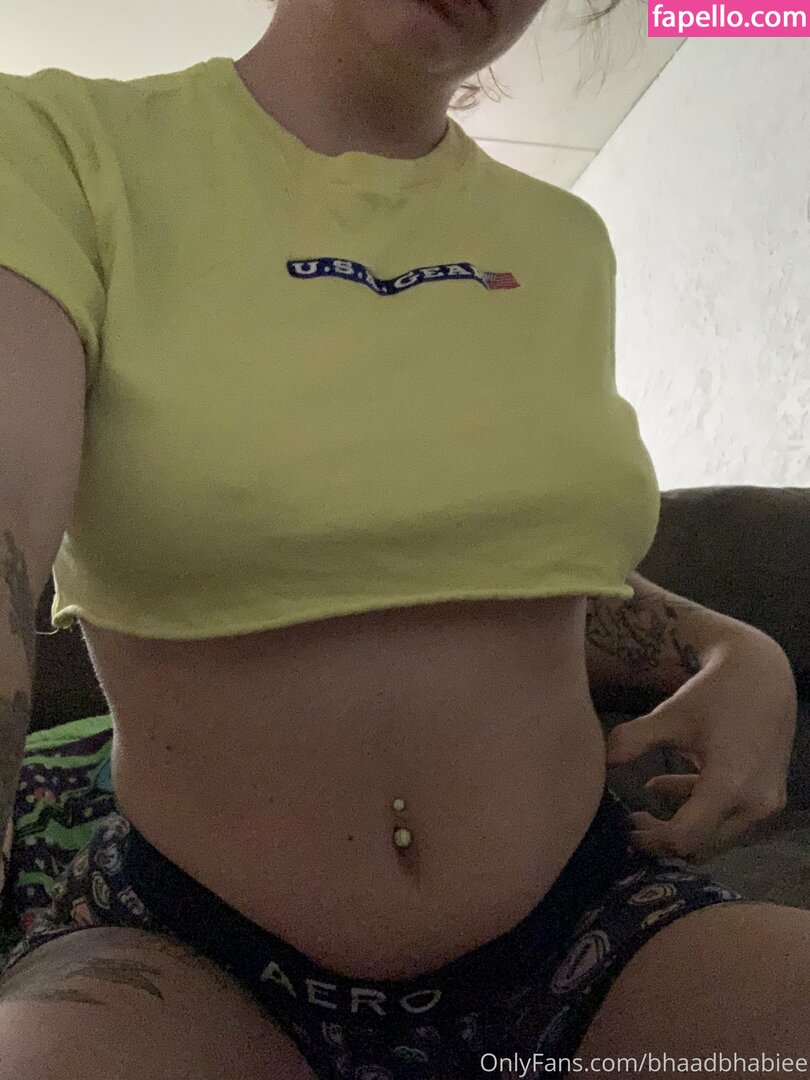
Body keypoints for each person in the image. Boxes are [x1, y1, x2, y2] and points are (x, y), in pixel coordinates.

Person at [0, 0, 806, 1077]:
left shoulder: (563, 240)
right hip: (196, 950)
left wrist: (730, 644)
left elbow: (509, 566)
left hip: (586, 919)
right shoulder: (56, 145)